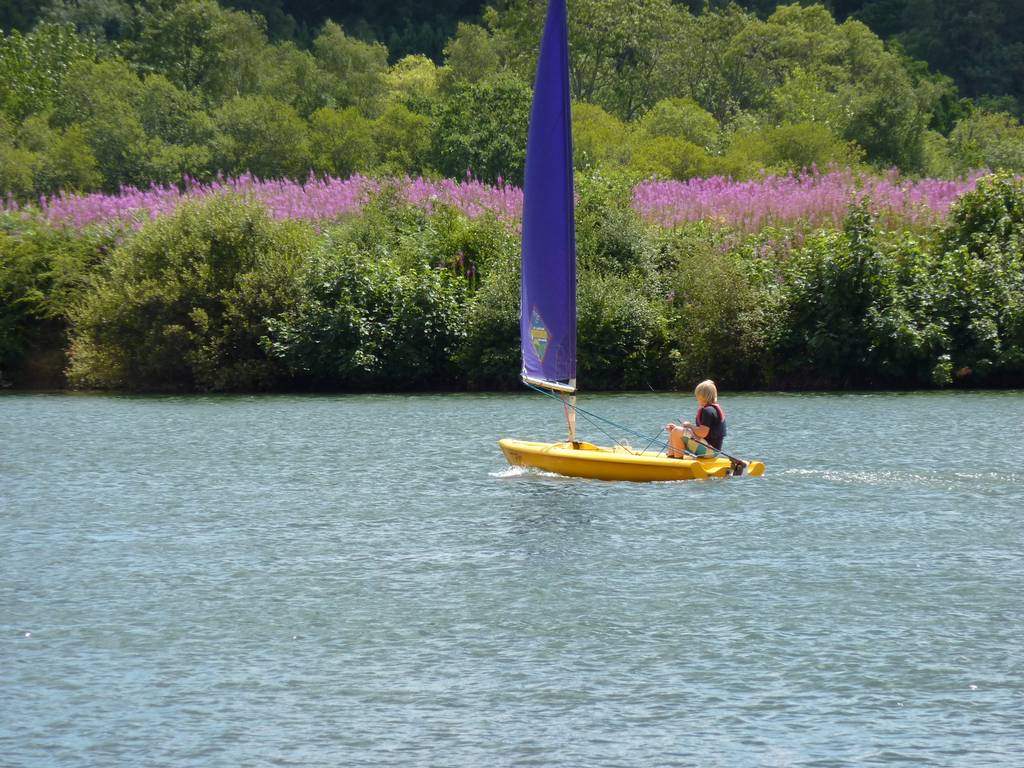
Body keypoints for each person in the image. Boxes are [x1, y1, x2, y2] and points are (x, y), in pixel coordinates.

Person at [666, 379, 727, 458]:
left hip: (710, 451)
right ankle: (671, 456)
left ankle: (678, 461)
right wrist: (679, 430)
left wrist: (690, 426)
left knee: (677, 431)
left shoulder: (708, 410)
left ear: (702, 396)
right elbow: (701, 434)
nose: (696, 397)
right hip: (709, 449)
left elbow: (702, 433)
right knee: (675, 431)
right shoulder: (711, 409)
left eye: (697, 395)